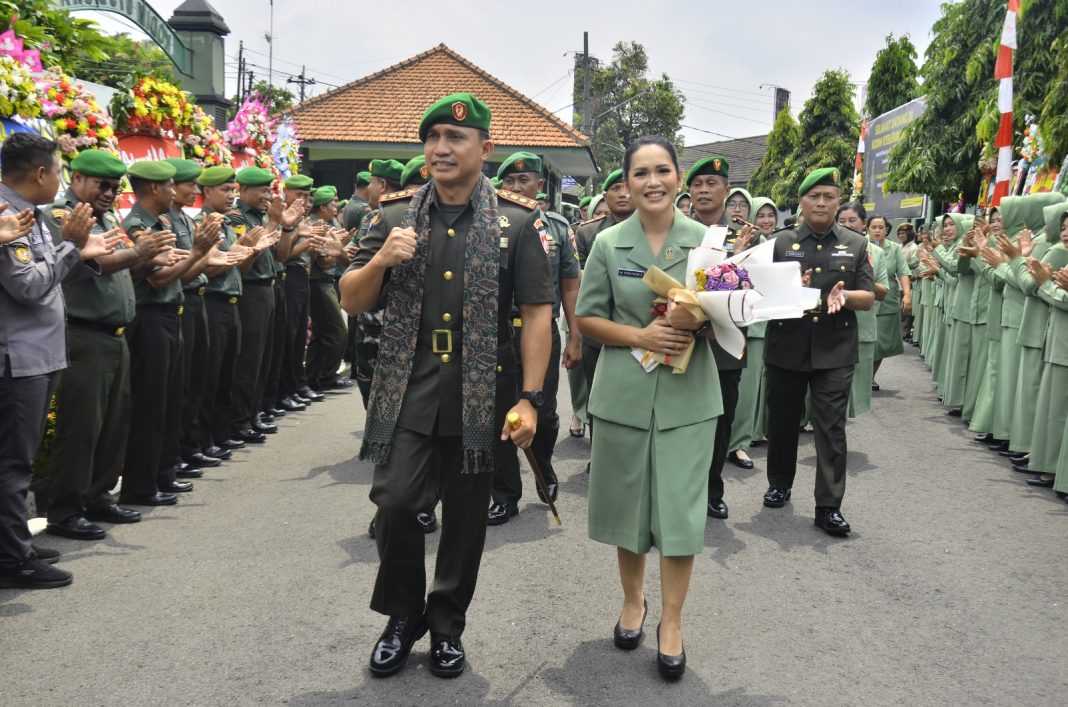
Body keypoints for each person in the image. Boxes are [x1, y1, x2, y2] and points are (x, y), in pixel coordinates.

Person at [338, 93, 553, 679]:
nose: (441, 148)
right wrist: (381, 260)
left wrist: (530, 398)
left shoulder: (517, 222)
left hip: (482, 391)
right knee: (398, 504)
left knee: (464, 520)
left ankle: (447, 626)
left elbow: (537, 312)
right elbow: (351, 298)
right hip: (408, 387)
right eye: (432, 137)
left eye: (455, 138)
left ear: (485, 148)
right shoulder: (391, 217)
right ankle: (403, 615)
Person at [576, 135, 722, 681]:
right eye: (641, 173)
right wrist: (640, 333)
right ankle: (633, 601)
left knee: (680, 516)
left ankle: (673, 623)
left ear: (679, 179)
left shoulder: (709, 241)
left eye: (663, 170)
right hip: (623, 396)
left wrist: (701, 320)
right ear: (626, 184)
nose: (653, 181)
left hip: (689, 399)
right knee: (628, 511)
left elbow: (735, 316)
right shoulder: (609, 244)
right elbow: (587, 319)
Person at [0, 133, 120, 588]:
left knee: (18, 460)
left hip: (36, 354)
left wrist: (76, 250)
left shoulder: (22, 213)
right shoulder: (11, 213)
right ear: (39, 173)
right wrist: (71, 246)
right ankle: (12, 559)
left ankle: (13, 544)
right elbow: (28, 286)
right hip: (19, 358)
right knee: (13, 463)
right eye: (57, 170)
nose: (59, 179)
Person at [44, 150, 173, 540]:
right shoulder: (63, 217)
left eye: (115, 186)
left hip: (116, 334)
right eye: (102, 184)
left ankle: (99, 496)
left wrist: (144, 258)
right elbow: (79, 268)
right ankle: (65, 509)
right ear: (77, 178)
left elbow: (124, 267)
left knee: (113, 423)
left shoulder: (108, 217)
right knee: (81, 425)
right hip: (85, 332)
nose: (109, 192)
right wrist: (138, 254)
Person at [763, 168, 875, 536]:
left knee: (831, 427)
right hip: (787, 344)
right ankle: (780, 482)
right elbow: (762, 297)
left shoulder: (856, 244)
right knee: (782, 422)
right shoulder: (780, 244)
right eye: (815, 197)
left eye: (829, 196)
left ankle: (828, 506)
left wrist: (843, 297)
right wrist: (791, 289)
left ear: (839, 201)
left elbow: (868, 295)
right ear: (802, 201)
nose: (822, 203)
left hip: (835, 349)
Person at [488, 151, 582, 525]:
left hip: (540, 332)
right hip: (500, 332)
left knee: (541, 410)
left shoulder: (557, 228)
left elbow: (570, 285)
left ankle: (544, 467)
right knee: (500, 412)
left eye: (523, 181)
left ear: (539, 186)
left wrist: (575, 335)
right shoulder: (492, 223)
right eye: (508, 182)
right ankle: (505, 493)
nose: (515, 188)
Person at [120, 160, 220, 506]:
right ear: (152, 188)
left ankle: (163, 474)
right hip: (150, 318)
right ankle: (141, 484)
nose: (176, 190)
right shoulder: (138, 225)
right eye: (170, 185)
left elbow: (182, 275)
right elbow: (159, 278)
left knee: (171, 400)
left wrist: (200, 256)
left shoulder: (160, 222)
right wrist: (198, 251)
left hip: (171, 314)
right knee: (151, 403)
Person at [228, 167, 303, 444]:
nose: (267, 196)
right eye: (262, 191)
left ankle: (253, 413)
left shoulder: (263, 217)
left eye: (269, 190)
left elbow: (282, 255)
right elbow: (245, 259)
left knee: (264, 358)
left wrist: (285, 226)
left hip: (270, 289)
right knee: (249, 359)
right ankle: (240, 420)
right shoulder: (238, 219)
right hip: (251, 292)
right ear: (243, 190)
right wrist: (273, 223)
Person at [195, 167, 258, 459]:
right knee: (208, 376)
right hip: (214, 302)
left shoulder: (228, 224)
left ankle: (221, 434)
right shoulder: (202, 224)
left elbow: (239, 267)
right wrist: (233, 252)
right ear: (206, 192)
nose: (231, 196)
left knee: (226, 375)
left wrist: (247, 251)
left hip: (233, 301)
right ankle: (203, 440)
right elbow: (206, 267)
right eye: (225, 190)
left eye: (233, 190)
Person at [164, 158, 218, 475]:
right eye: (189, 185)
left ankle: (191, 446)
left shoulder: (185, 219)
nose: (193, 190)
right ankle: (180, 451)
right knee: (182, 385)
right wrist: (206, 255)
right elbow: (177, 273)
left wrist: (214, 255)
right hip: (180, 301)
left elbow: (197, 262)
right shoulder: (166, 221)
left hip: (195, 300)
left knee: (199, 378)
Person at [1021, 203, 1068, 487]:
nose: (1064, 233)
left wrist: (1042, 283)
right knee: (1051, 408)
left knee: (1055, 409)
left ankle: (1053, 470)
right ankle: (1050, 466)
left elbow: (1030, 286)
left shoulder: (1055, 254)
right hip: (1057, 340)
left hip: (1060, 343)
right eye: (1063, 227)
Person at [729, 196, 779, 457]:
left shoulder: (775, 245)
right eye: (761, 215)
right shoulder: (726, 240)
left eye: (771, 216)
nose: (766, 221)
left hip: (761, 322)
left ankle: (740, 442)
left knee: (751, 388)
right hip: (729, 321)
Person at [836, 202, 886, 416]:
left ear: (864, 224)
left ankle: (839, 425)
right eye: (841, 221)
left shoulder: (875, 253)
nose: (847, 225)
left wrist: (863, 275)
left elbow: (883, 292)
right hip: (832, 323)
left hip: (863, 325)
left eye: (852, 220)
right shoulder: (828, 247)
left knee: (854, 385)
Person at [277, 174, 321, 414]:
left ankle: (296, 385)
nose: (304, 200)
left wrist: (313, 244)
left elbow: (308, 255)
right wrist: (302, 238)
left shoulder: (302, 219)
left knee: (298, 337)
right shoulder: (284, 217)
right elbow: (282, 253)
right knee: (290, 335)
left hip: (303, 275)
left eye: (307, 195)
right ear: (287, 193)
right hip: (290, 276)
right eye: (299, 194)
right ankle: (286, 388)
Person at [305, 185, 352, 394]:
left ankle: (313, 378)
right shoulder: (316, 225)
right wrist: (340, 249)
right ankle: (326, 376)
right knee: (337, 332)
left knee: (320, 335)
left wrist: (342, 246)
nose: (336, 205)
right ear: (322, 207)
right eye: (333, 202)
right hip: (318, 282)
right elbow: (324, 262)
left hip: (328, 280)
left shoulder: (329, 222)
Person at [869, 214, 911, 386]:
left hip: (887, 300)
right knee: (864, 341)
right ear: (867, 228)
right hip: (866, 300)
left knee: (881, 344)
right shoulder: (860, 245)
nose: (878, 230)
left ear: (887, 230)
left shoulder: (894, 248)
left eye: (881, 227)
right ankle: (860, 376)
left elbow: (902, 271)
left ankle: (870, 377)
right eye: (874, 227)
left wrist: (907, 294)